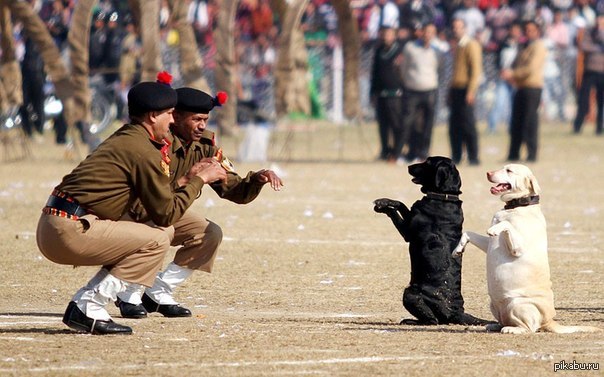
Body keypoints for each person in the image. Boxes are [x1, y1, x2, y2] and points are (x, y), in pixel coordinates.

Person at [36, 72, 228, 335]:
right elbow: (165, 213)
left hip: (65, 222)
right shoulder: (142, 149)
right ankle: (88, 305)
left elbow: (161, 203)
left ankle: (117, 299)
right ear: (152, 116)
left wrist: (187, 179)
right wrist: (199, 179)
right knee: (158, 237)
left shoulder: (134, 138)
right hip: (69, 228)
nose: (172, 119)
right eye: (169, 114)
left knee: (161, 232)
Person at [115, 87, 284, 319]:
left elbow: (233, 189)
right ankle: (129, 293)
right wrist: (190, 179)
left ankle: (158, 292)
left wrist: (256, 180)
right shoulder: (152, 142)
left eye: (205, 119)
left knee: (209, 234)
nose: (202, 125)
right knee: (160, 230)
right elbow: (143, 196)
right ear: (175, 116)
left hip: (166, 210)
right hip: (130, 212)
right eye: (196, 119)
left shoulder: (205, 146)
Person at [502, 19, 547, 162]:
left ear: (537, 31)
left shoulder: (539, 46)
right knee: (516, 122)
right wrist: (509, 73)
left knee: (530, 122)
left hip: (532, 88)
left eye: (531, 30)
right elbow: (514, 64)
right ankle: (513, 154)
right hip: (520, 87)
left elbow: (531, 68)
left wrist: (513, 74)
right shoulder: (523, 46)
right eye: (526, 30)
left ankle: (531, 154)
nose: (528, 33)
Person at [399, 22, 442, 162]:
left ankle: (423, 153)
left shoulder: (438, 50)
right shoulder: (410, 48)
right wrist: (408, 82)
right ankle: (406, 151)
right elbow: (403, 69)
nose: (428, 35)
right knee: (408, 122)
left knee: (427, 124)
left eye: (431, 32)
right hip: (412, 90)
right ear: (421, 32)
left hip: (430, 90)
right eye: (426, 31)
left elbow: (440, 70)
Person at [448, 18, 483, 166]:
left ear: (465, 28)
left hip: (465, 89)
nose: (456, 30)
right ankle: (456, 155)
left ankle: (473, 156)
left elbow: (476, 70)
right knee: (454, 125)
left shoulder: (471, 45)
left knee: (468, 124)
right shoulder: (457, 46)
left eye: (459, 27)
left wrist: (471, 91)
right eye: (454, 27)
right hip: (456, 89)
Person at [370, 26, 405, 162]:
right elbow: (374, 73)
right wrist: (372, 92)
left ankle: (397, 151)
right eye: (384, 35)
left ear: (394, 36)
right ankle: (385, 150)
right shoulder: (379, 51)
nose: (386, 37)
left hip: (395, 94)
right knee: (383, 125)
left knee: (396, 124)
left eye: (389, 35)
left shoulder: (399, 51)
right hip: (381, 94)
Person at [487, 22, 523, 133]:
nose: (515, 33)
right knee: (499, 102)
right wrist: (501, 71)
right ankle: (492, 127)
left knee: (515, 105)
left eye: (517, 31)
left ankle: (512, 127)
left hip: (516, 79)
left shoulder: (522, 46)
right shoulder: (503, 45)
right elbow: (497, 61)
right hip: (503, 78)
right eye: (513, 30)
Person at [572, 13, 604, 135]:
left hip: (602, 71)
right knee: (583, 99)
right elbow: (583, 45)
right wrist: (598, 48)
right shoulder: (589, 31)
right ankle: (577, 126)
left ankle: (599, 128)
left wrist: (601, 33)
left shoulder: (599, 33)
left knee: (601, 101)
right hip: (589, 70)